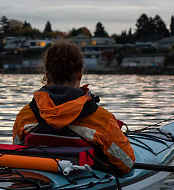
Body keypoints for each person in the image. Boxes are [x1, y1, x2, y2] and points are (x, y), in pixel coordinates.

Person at [13, 42, 135, 174]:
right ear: (80, 74)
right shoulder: (102, 119)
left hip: (33, 177)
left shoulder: (26, 114)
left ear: (47, 73)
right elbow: (126, 164)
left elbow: (16, 152)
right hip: (84, 181)